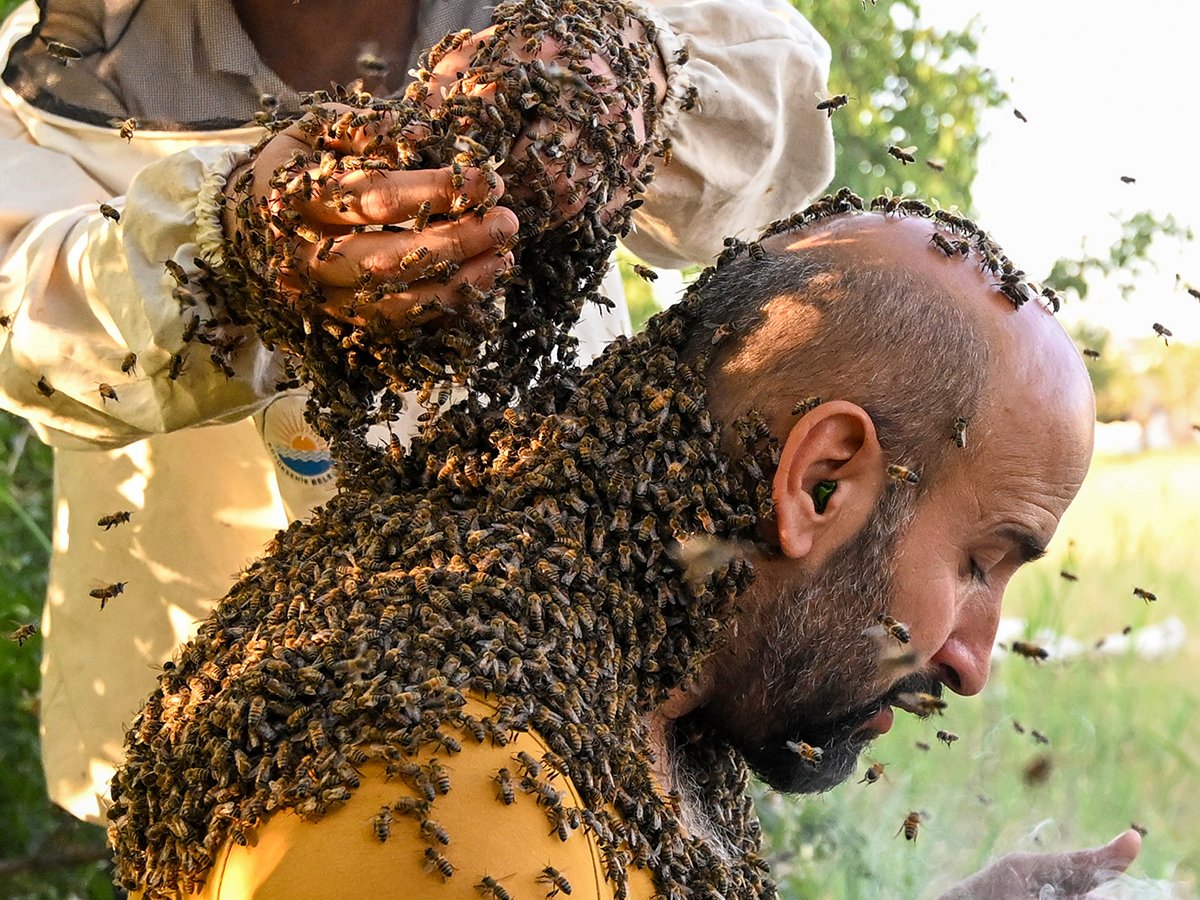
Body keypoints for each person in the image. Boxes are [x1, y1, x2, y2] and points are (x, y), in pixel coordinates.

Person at [109, 200, 1141, 898]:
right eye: (981, 561)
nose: (972, 661)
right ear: (820, 482)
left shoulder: (653, 685)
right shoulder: (452, 785)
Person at [0, 0, 836, 823]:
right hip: (220, 707)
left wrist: (636, 66)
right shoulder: (55, 60)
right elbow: (22, 315)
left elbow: (779, 111)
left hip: (560, 658)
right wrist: (235, 249)